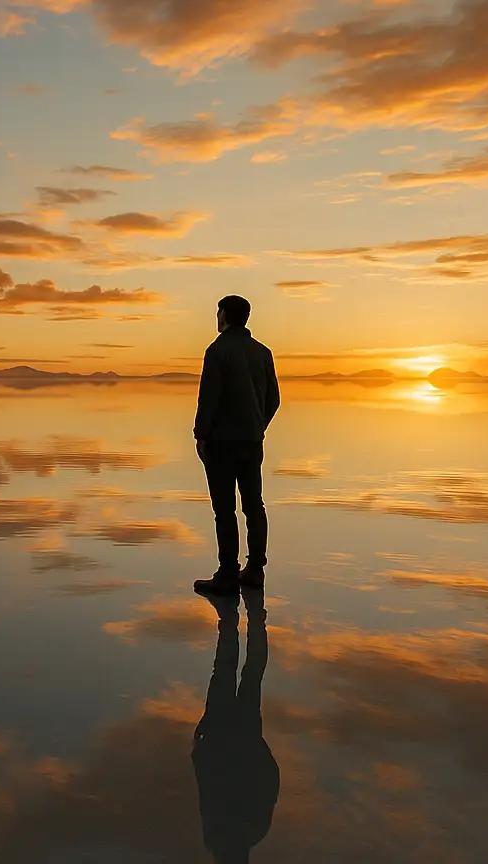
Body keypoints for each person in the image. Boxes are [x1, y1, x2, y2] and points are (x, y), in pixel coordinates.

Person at [193, 295, 279, 595]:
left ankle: (228, 573)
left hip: (221, 444)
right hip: (252, 441)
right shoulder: (263, 352)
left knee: (225, 510)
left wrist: (200, 434)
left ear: (225, 315)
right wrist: (257, 426)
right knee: (254, 505)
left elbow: (209, 399)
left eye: (218, 311)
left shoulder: (217, 351)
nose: (216, 316)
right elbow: (274, 400)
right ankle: (255, 570)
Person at [192, 588, 279, 863]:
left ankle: (246, 621)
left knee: (243, 672)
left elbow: (206, 788)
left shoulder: (225, 834)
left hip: (228, 737)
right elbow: (269, 780)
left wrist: (200, 750)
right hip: (236, 737)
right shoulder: (234, 832)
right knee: (241, 673)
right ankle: (248, 620)